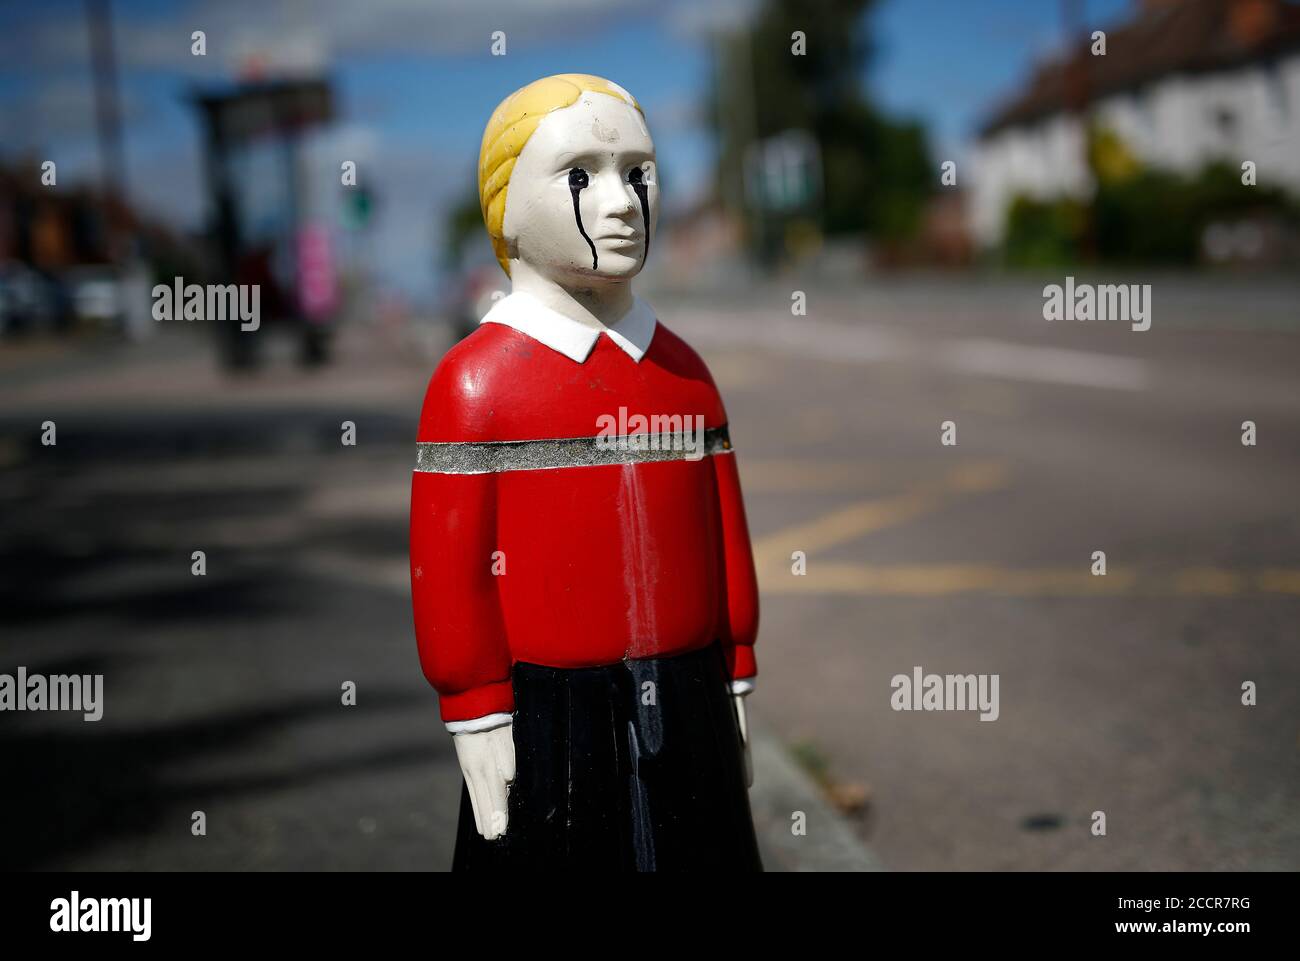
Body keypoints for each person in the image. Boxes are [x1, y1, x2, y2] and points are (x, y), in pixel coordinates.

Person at [410, 74, 762, 871]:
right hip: (547, 713)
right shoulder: (476, 386)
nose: (625, 200)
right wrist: (474, 707)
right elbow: (450, 570)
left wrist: (736, 664)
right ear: (503, 204)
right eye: (580, 176)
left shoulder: (686, 373)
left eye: (638, 171)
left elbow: (725, 536)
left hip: (689, 692)